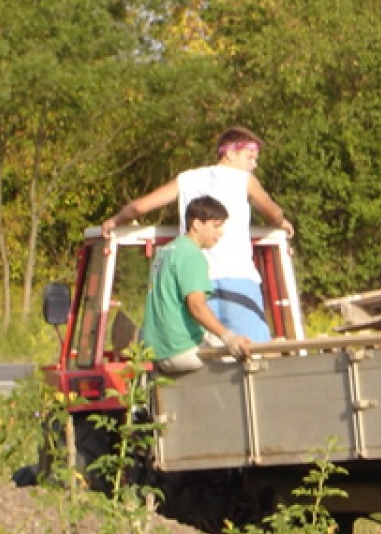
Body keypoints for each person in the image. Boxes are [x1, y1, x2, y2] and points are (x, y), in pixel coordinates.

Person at [102, 126, 292, 342]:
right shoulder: (244, 180)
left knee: (202, 352)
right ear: (230, 153)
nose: (254, 165)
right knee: (253, 349)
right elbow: (273, 212)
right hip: (237, 277)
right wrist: (281, 223)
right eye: (250, 157)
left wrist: (115, 221)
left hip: (195, 282)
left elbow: (138, 207)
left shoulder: (187, 179)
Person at [139, 194, 252, 374]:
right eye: (216, 226)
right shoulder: (191, 255)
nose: (221, 232)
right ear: (197, 224)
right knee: (246, 355)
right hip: (182, 349)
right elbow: (196, 306)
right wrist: (229, 338)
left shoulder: (165, 252)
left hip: (156, 353)